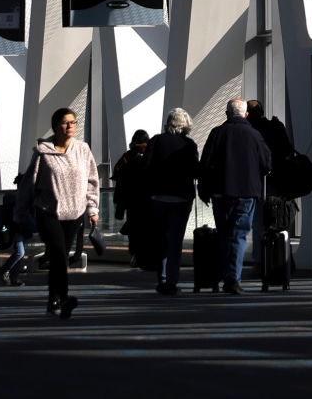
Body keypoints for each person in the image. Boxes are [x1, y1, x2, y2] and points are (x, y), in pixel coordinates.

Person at [14, 107, 99, 319]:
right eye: (65, 122)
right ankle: (64, 298)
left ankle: (54, 301)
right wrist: (19, 213)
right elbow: (28, 184)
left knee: (60, 259)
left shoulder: (83, 149)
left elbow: (92, 181)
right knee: (60, 255)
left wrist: (92, 208)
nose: (70, 126)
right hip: (48, 212)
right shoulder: (43, 152)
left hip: (75, 213)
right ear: (55, 126)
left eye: (73, 122)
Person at [199, 99, 271, 295]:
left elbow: (205, 164)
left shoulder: (217, 133)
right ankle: (233, 279)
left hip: (221, 193)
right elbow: (266, 164)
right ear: (245, 114)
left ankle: (227, 273)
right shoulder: (255, 135)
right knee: (239, 235)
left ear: (226, 113)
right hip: (247, 192)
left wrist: (204, 190)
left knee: (224, 234)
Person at [143, 109, 199, 295]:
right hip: (181, 198)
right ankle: (171, 281)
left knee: (161, 239)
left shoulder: (156, 141)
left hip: (158, 197)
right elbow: (195, 170)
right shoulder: (189, 144)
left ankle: (163, 277)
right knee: (175, 241)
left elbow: (146, 167)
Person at [246, 99, 294, 264]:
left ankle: (260, 260)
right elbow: (287, 150)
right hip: (276, 181)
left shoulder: (249, 130)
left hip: (255, 181)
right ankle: (277, 259)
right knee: (275, 220)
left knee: (258, 221)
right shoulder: (276, 126)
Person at [113, 130, 156, 269]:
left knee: (134, 230)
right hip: (149, 201)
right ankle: (148, 257)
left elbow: (118, 175)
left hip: (132, 202)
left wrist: (120, 205)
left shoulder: (128, 156)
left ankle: (136, 255)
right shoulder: (152, 155)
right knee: (149, 229)